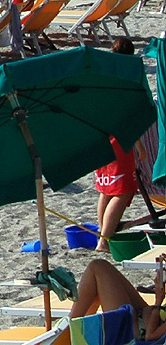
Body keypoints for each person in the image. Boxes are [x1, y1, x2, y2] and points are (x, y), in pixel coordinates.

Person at [96, 38, 142, 240]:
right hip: (119, 143)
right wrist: (141, 147)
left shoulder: (102, 78)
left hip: (100, 140)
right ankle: (104, 240)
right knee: (122, 191)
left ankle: (102, 233)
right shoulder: (126, 81)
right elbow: (128, 121)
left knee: (106, 188)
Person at [69, 257, 166, 341]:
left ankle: (69, 331)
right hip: (146, 315)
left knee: (97, 267)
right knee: (101, 270)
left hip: (133, 330)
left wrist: (158, 300)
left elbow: (151, 336)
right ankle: (74, 330)